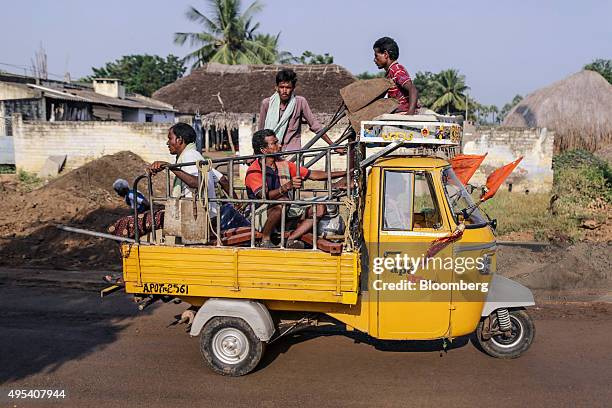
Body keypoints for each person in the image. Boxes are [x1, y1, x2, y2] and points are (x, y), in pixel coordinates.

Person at [245, 129, 347, 249]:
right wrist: (287, 186)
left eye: (277, 142)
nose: (280, 145)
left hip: (286, 208)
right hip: (260, 214)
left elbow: (313, 174)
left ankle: (291, 239)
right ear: (263, 150)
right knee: (282, 201)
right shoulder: (254, 170)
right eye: (274, 143)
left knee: (319, 208)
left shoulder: (283, 164)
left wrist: (345, 173)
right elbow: (263, 196)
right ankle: (265, 239)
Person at [148, 122, 231, 219]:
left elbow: (198, 183)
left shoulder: (189, 155)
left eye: (170, 138)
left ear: (179, 140)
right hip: (204, 213)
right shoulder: (195, 155)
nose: (167, 142)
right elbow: (222, 179)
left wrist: (170, 167)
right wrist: (237, 203)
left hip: (197, 215)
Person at [258, 68, 338, 152]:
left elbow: (315, 125)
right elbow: (260, 132)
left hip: (292, 151)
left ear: (293, 88)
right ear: (276, 87)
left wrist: (332, 144)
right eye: (282, 87)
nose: (284, 91)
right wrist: (254, 155)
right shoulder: (267, 103)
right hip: (271, 151)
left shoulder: (300, 102)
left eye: (288, 87)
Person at [373, 37, 419, 114]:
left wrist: (410, 113)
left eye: (376, 56)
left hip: (403, 114)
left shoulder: (396, 70)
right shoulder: (390, 72)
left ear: (385, 54)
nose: (374, 60)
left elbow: (413, 90)